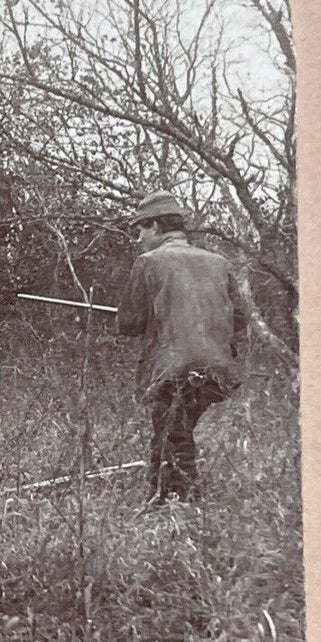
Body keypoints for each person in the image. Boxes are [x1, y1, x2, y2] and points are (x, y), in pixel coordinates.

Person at [116, 190, 247, 504]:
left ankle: (177, 502)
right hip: (217, 370)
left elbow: (128, 324)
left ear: (157, 228)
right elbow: (240, 318)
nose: (137, 239)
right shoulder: (219, 262)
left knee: (173, 433)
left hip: (173, 369)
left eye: (140, 230)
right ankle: (170, 496)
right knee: (177, 430)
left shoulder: (148, 262)